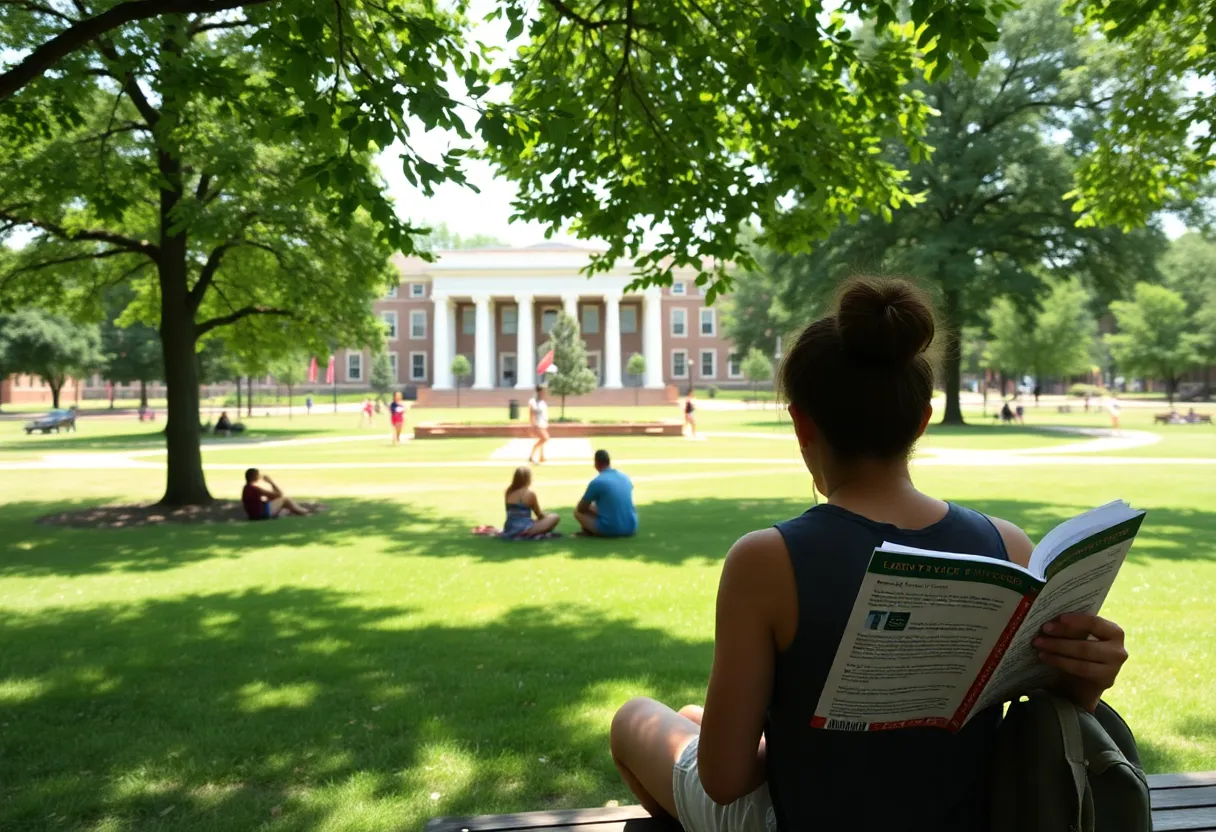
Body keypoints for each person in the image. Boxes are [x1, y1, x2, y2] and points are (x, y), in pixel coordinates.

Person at [608, 276, 1130, 832]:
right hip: (963, 817)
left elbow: (726, 780)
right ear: (921, 421)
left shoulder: (765, 561)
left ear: (801, 423)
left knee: (634, 719)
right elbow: (1043, 718)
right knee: (692, 717)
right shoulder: (1008, 547)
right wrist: (1086, 681)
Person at [574, 450, 637, 537]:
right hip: (631, 527)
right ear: (609, 462)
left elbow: (581, 508)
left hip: (612, 530)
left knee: (577, 511)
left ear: (596, 463)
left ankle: (590, 531)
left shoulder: (597, 482)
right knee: (598, 507)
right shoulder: (625, 477)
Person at [501, 466, 560, 539]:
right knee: (555, 517)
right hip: (524, 529)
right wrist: (547, 516)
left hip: (509, 528)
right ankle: (534, 533)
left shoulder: (509, 491)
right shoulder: (529, 493)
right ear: (528, 478)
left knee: (545, 516)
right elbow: (539, 515)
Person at [241, 468, 308, 520]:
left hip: (254, 514)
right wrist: (270, 482)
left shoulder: (246, 488)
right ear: (253, 476)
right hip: (261, 514)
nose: (259, 476)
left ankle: (301, 511)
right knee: (285, 500)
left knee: (285, 509)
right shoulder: (254, 488)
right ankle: (303, 512)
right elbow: (279, 494)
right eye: (258, 475)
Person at [528, 386, 550, 464]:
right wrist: (533, 425)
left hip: (543, 423)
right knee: (545, 438)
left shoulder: (542, 402)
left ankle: (541, 457)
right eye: (542, 392)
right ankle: (531, 456)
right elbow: (531, 414)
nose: (544, 393)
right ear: (539, 392)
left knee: (542, 440)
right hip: (538, 424)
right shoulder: (533, 402)